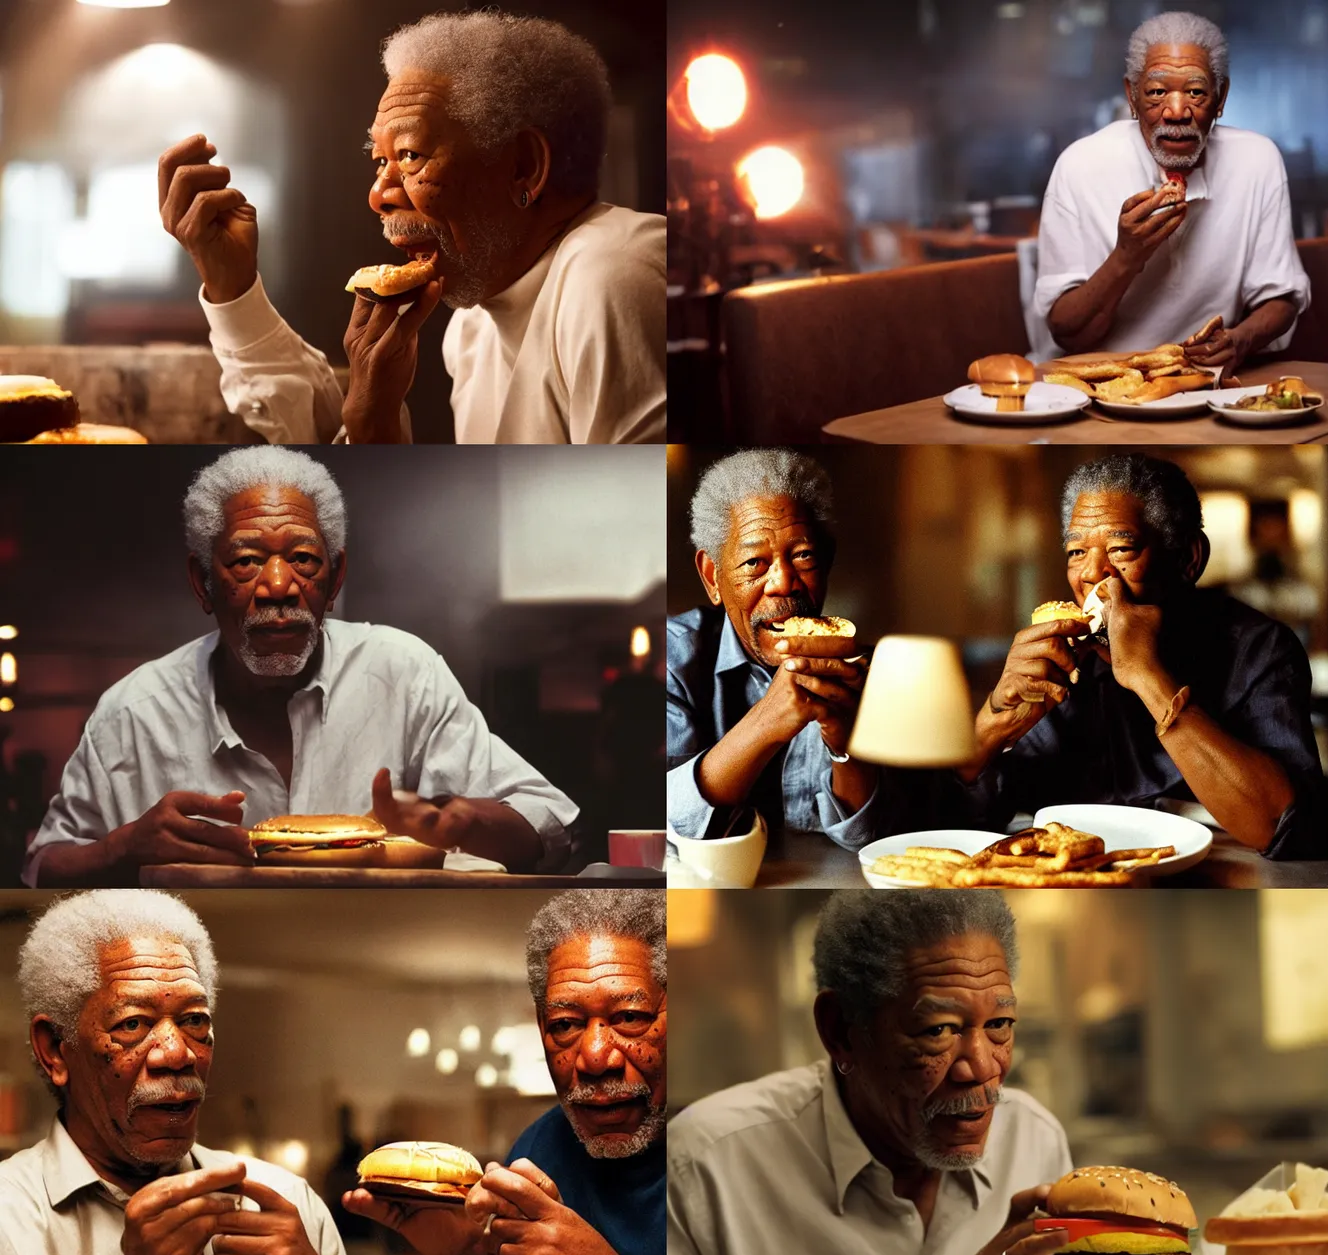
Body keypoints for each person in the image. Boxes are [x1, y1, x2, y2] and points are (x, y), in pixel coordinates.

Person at [23, 446, 577, 886]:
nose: (279, 586)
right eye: (245, 561)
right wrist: (121, 851)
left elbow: (549, 824)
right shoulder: (130, 713)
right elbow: (41, 867)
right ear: (203, 584)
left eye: (304, 560)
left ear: (334, 581)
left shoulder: (403, 673)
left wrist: (457, 822)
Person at [156, 11, 665, 443]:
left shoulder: (612, 276)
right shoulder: (473, 324)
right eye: (381, 162)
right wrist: (233, 286)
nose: (379, 196)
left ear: (524, 167)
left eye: (411, 155)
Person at [668, 890, 1074, 1255]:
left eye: (998, 1025)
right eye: (937, 1029)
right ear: (840, 1031)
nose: (980, 1067)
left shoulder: (1036, 1141)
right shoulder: (703, 1164)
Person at [0, 891, 371, 1255]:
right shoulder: (9, 1222)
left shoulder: (284, 1201)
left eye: (194, 1020)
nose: (177, 1054)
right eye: (132, 1023)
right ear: (55, 1052)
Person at [956, 454, 1328, 859]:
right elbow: (967, 823)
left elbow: (1283, 830)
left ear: (1187, 560)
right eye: (1076, 552)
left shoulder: (1260, 650)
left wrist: (1145, 675)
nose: (1092, 574)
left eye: (1120, 548)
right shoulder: (1063, 664)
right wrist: (992, 727)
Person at [343, 889, 665, 1255]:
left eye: (630, 1017)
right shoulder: (538, 1151)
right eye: (566, 1025)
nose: (594, 1058)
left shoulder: (738, 1152)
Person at [1030, 12, 1311, 375]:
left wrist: (1240, 340)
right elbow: (1068, 334)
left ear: (1221, 96)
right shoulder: (1080, 165)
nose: (1177, 112)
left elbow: (1282, 296)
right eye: (1157, 92)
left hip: (1204, 384)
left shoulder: (1257, 160)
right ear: (1132, 96)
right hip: (1099, 381)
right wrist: (1127, 256)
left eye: (1195, 92)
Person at [668, 450, 906, 852]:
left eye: (803, 556)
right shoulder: (673, 657)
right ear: (713, 577)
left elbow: (870, 840)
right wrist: (768, 719)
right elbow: (664, 827)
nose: (783, 583)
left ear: (827, 563)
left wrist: (844, 740)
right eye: (754, 563)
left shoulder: (870, 669)